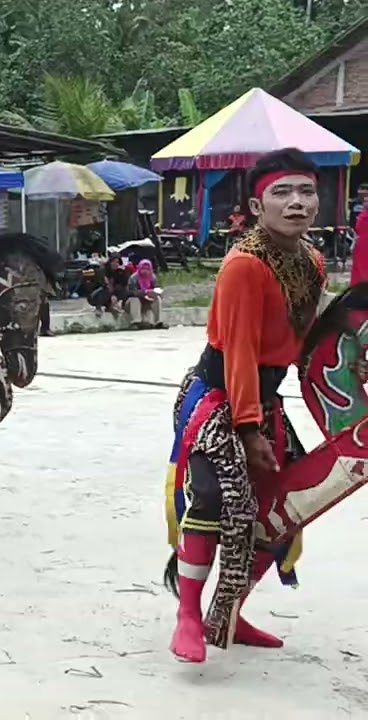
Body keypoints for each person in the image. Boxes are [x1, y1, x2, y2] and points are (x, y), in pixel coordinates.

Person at [164, 148, 326, 664]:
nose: (296, 203)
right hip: (219, 397)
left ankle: (227, 611)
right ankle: (188, 614)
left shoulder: (314, 262)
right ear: (257, 207)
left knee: (288, 503)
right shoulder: (244, 264)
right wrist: (250, 431)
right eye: (282, 192)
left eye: (306, 191)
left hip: (267, 398)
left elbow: (313, 337)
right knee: (214, 497)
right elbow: (238, 351)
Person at [125, 259, 166, 329]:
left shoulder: (153, 277)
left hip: (148, 301)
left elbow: (157, 288)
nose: (145, 271)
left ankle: (158, 322)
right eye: (143, 269)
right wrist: (144, 292)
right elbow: (130, 292)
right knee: (134, 299)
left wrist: (155, 292)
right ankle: (136, 322)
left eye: (147, 269)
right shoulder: (133, 278)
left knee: (157, 299)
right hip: (133, 304)